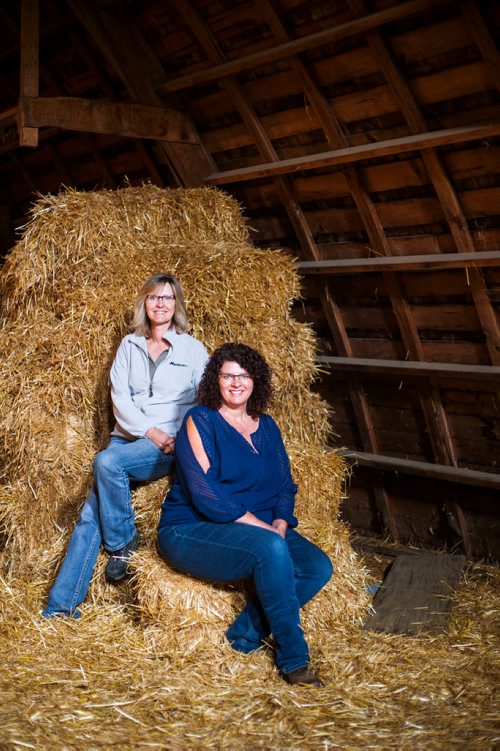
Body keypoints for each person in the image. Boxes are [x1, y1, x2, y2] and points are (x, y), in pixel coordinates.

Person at [157, 342, 332, 686]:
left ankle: (245, 635)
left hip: (260, 526)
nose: (236, 383)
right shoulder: (200, 420)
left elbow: (284, 485)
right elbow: (207, 495)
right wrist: (265, 532)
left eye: (244, 375)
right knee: (271, 549)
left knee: (318, 567)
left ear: (256, 380)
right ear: (215, 381)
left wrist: (280, 523)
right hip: (191, 529)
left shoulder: (266, 426)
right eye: (228, 376)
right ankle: (295, 661)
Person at [42, 273, 208, 618]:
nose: (159, 304)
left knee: (107, 463)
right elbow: (120, 398)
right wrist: (150, 431)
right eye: (153, 297)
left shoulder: (192, 349)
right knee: (90, 514)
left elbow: (203, 400)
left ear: (176, 304)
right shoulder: (129, 345)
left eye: (167, 298)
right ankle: (63, 605)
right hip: (131, 437)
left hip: (169, 444)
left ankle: (119, 547)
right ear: (144, 304)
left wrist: (178, 435)